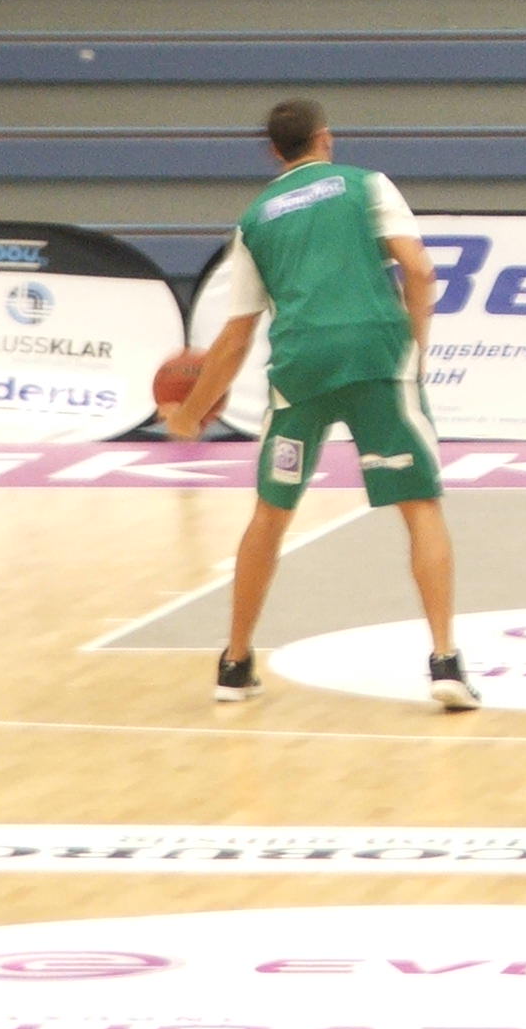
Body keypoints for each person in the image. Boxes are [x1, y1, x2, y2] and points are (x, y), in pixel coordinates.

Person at [163, 97, 479, 711]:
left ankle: (234, 664)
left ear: (274, 152)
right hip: (375, 354)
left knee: (271, 513)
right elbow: (418, 270)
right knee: (420, 506)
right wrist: (416, 344)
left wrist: (190, 413)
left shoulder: (254, 221)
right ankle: (445, 661)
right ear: (325, 138)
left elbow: (235, 337)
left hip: (300, 365)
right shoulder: (366, 185)